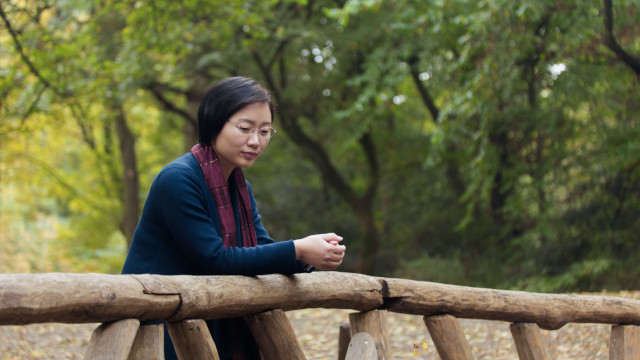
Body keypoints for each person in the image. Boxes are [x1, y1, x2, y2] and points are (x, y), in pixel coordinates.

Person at [121, 76, 346, 359]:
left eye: (265, 131)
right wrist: (298, 249)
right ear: (215, 124)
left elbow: (259, 246)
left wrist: (310, 256)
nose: (255, 141)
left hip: (205, 316)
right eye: (244, 128)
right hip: (158, 324)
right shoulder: (178, 180)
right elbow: (215, 258)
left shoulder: (239, 186)